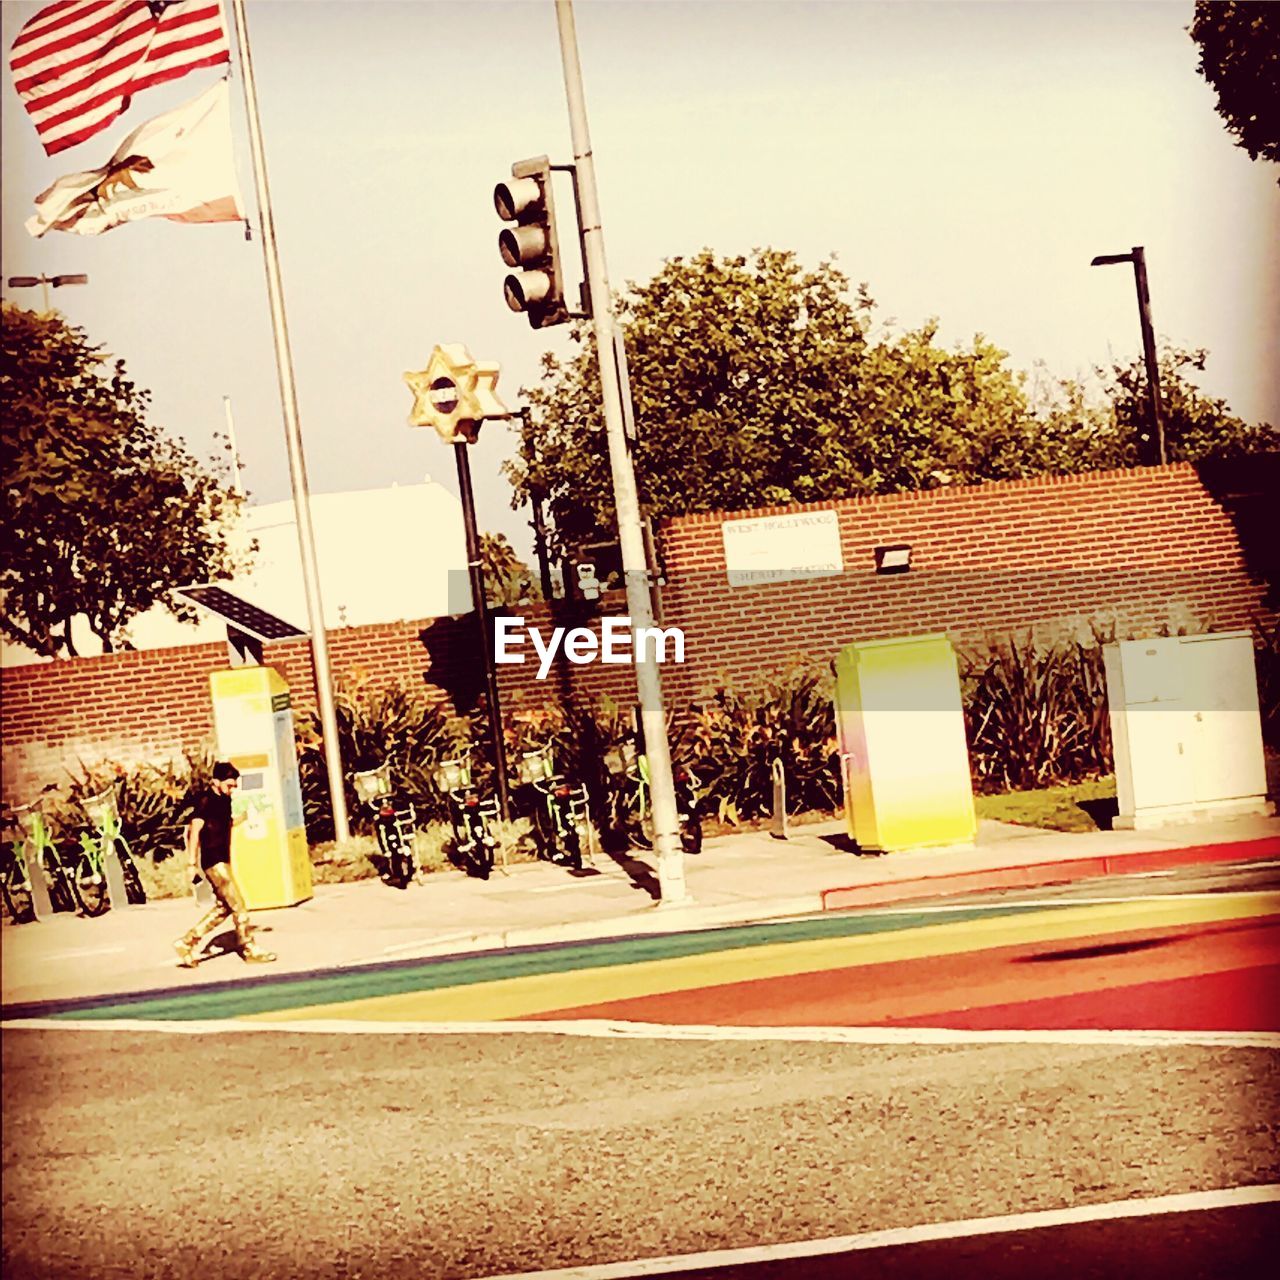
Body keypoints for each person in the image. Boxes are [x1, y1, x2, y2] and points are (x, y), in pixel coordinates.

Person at [174, 761, 276, 967]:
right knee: (239, 905)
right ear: (215, 782)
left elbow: (225, 823)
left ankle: (187, 942)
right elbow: (195, 831)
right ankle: (249, 948)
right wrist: (191, 863)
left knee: (224, 908)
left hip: (223, 859)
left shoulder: (224, 801)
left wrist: (245, 817)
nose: (232, 790)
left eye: (234, 786)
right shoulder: (205, 800)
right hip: (213, 861)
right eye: (229, 785)